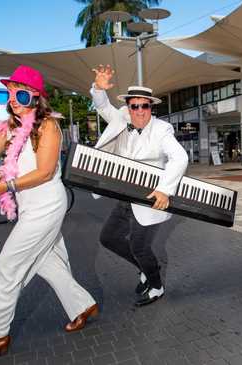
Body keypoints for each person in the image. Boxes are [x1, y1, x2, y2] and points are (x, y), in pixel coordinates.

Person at [0, 65, 98, 364]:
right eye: (7, 94)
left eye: (20, 94)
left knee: (9, 264)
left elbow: (44, 172)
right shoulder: (12, 127)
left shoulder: (49, 127)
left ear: (36, 98)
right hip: (29, 205)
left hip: (47, 205)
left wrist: (5, 185)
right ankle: (83, 305)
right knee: (47, 262)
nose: (13, 100)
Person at [90, 65, 188, 306]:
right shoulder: (121, 118)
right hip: (125, 195)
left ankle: (156, 285)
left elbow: (180, 157)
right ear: (128, 107)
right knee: (108, 238)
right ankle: (146, 267)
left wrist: (165, 189)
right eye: (135, 105)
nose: (140, 111)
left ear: (151, 107)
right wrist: (98, 89)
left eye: (145, 105)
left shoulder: (162, 129)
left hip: (151, 198)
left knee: (139, 245)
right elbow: (102, 106)